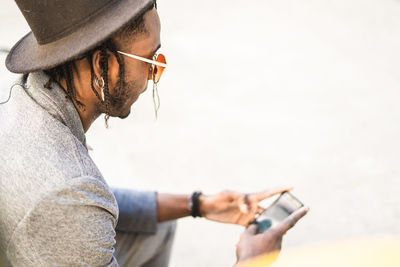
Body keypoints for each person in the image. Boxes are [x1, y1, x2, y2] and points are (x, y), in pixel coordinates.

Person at [0, 0, 308, 266]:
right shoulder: (65, 189)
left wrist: (198, 204)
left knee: (155, 229)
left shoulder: (25, 105)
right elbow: (75, 200)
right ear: (100, 63)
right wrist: (250, 262)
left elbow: (89, 201)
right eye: (152, 61)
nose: (153, 76)